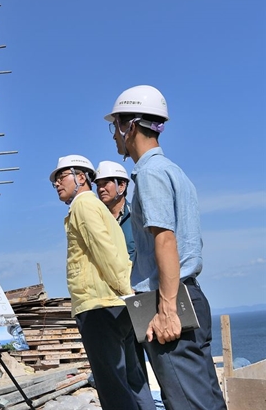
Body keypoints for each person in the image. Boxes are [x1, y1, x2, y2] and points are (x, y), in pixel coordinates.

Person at [105, 84, 226, 410]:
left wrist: (166, 310)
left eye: (114, 125)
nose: (113, 136)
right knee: (207, 400)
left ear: (129, 126)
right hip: (189, 295)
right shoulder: (174, 171)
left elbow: (165, 239)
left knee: (187, 403)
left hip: (167, 299)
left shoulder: (149, 174)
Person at [51, 155, 155, 410]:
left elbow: (104, 250)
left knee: (112, 387)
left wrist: (124, 289)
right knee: (132, 380)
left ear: (81, 177)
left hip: (98, 307)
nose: (56, 183)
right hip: (116, 305)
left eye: (62, 176)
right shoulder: (100, 209)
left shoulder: (83, 206)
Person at [95, 161, 150, 381]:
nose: (100, 188)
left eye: (106, 182)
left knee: (160, 362)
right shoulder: (98, 221)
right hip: (116, 305)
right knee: (132, 370)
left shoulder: (138, 215)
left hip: (142, 299)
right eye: (97, 184)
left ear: (122, 186)